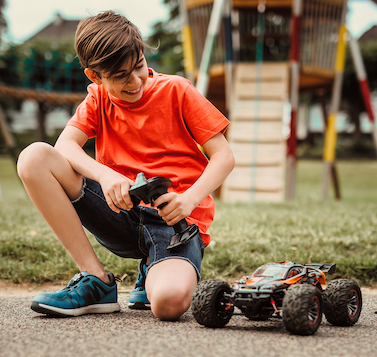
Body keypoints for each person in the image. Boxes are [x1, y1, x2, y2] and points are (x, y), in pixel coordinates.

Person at [16, 10, 235, 321]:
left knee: (169, 305)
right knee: (34, 157)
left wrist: (188, 200)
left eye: (139, 67)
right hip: (118, 211)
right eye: (120, 76)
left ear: (143, 55)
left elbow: (224, 156)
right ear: (95, 76)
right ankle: (96, 281)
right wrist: (105, 175)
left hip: (173, 223)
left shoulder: (178, 90)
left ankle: (153, 269)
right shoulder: (97, 99)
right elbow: (64, 145)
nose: (135, 82)